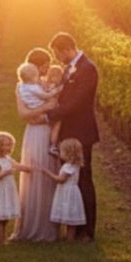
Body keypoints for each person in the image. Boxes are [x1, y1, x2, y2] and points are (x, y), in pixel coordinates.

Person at [44, 32, 99, 240]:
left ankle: (87, 231)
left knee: (83, 179)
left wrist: (48, 115)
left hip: (81, 132)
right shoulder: (71, 68)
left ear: (68, 49)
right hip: (69, 132)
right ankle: (74, 228)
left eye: (58, 54)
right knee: (71, 181)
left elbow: (75, 102)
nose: (58, 59)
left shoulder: (87, 69)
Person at [11, 47, 60, 242]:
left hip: (46, 131)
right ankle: (33, 226)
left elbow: (55, 108)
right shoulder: (21, 87)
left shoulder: (46, 84)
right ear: (36, 67)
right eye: (45, 66)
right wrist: (45, 108)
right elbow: (24, 115)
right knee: (35, 172)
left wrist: (46, 114)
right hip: (35, 134)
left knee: (48, 173)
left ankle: (50, 226)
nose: (47, 70)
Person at [0, 131, 30, 245]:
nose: (8, 147)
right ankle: (0, 240)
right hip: (1, 191)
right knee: (1, 219)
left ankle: (3, 239)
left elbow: (17, 165)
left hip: (8, 190)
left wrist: (28, 168)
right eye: (5, 145)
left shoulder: (8, 159)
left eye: (10, 145)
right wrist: (6, 172)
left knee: (6, 218)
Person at [43, 138, 87, 241]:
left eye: (61, 151)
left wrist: (47, 173)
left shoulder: (68, 167)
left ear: (68, 153)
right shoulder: (75, 164)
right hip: (72, 191)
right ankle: (68, 237)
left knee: (68, 213)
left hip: (67, 192)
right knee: (70, 215)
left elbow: (60, 180)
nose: (60, 153)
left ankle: (69, 239)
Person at [43, 64, 67, 157]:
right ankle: (53, 145)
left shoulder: (46, 85)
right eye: (54, 76)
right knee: (57, 125)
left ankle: (54, 144)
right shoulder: (54, 87)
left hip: (52, 108)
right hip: (53, 109)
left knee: (54, 127)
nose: (56, 78)